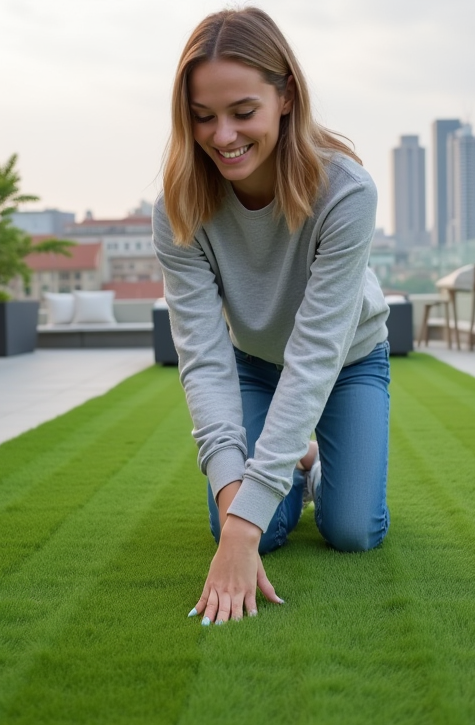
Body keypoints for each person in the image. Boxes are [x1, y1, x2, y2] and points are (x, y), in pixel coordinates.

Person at [153, 7, 390, 627]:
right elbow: (203, 358)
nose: (222, 136)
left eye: (242, 112)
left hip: (347, 362)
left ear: (285, 97)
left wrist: (241, 533)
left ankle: (307, 465)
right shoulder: (178, 206)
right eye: (202, 118)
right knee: (255, 524)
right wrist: (239, 524)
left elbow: (315, 357)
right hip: (254, 361)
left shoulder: (347, 192)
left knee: (352, 530)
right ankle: (298, 459)